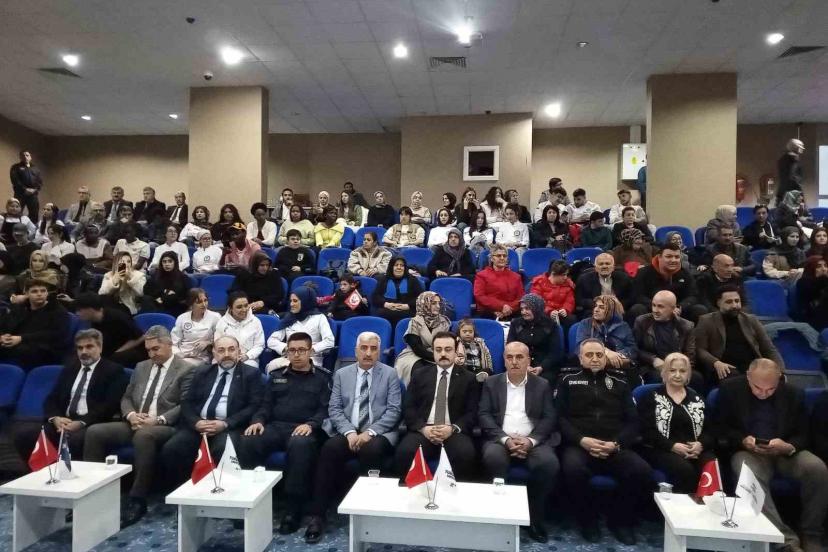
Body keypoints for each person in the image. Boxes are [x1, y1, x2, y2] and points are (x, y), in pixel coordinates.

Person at [83, 326, 195, 525]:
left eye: (156, 349)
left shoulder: (186, 369)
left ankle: (137, 498)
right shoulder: (141, 367)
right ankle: (92, 493)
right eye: (148, 350)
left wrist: (157, 420)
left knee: (144, 436)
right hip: (136, 422)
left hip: (165, 425)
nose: (152, 354)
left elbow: (185, 404)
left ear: (169, 345)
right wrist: (131, 415)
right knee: (95, 432)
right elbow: (126, 397)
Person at [719, 359, 827, 552]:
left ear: (779, 379)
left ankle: (811, 533)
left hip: (785, 453)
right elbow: (721, 428)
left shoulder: (794, 394)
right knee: (746, 471)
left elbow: (804, 433)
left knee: (817, 468)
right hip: (748, 452)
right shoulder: (730, 390)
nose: (763, 393)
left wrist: (789, 446)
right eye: (758, 388)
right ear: (748, 376)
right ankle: (784, 540)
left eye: (770, 389)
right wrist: (742, 440)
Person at [304, 332, 402, 543]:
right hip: (348, 430)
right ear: (356, 351)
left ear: (379, 352)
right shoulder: (341, 374)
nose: (368, 353)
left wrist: (369, 433)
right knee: (329, 449)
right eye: (364, 348)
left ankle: (368, 512)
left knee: (372, 449)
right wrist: (349, 432)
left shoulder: (390, 374)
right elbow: (335, 408)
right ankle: (318, 515)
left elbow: (394, 411)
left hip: (379, 431)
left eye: (373, 349)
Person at [555, 339, 652, 545]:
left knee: (641, 470)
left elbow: (633, 421)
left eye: (599, 355)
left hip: (614, 444)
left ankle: (620, 521)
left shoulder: (621, 381)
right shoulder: (567, 380)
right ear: (580, 358)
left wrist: (616, 444)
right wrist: (581, 440)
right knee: (573, 469)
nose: (595, 359)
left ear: (605, 357)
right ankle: (587, 520)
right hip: (580, 444)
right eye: (589, 355)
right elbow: (560, 418)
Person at [239, 332, 330, 534]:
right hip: (276, 426)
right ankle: (248, 501)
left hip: (305, 429)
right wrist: (258, 421)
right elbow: (265, 405)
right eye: (292, 350)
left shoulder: (323, 378)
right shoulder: (276, 376)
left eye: (301, 350)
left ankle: (293, 510)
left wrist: (311, 424)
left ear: (310, 352)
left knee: (299, 445)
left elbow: (325, 409)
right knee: (248, 440)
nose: (296, 354)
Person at [479, 341, 559, 542]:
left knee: (548, 463)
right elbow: (484, 415)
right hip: (500, 439)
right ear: (504, 360)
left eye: (519, 357)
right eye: (510, 357)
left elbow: (549, 417)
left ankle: (534, 518)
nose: (514, 361)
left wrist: (531, 441)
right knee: (493, 457)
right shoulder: (491, 383)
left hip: (533, 440)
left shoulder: (542, 385)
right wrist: (506, 440)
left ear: (528, 360)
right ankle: (500, 516)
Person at [160, 335, 262, 486]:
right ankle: (183, 492)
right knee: (173, 448)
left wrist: (225, 423)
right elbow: (187, 402)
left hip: (228, 427)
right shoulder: (202, 372)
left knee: (222, 449)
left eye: (231, 349)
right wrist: (196, 422)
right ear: (214, 353)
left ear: (239, 351)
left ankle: (220, 492)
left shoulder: (250, 374)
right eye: (221, 350)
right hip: (199, 426)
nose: (226, 354)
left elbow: (253, 406)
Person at [13, 329, 125, 461]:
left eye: (89, 347)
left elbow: (109, 406)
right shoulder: (70, 368)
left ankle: (71, 473)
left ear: (100, 348)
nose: (84, 352)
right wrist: (55, 419)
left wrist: (81, 422)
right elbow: (52, 398)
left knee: (74, 440)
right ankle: (43, 471)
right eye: (80, 348)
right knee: (24, 435)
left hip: (91, 423)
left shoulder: (113, 371)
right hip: (63, 421)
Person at [394, 332, 478, 481]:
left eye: (448, 349)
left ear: (455, 352)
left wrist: (452, 428)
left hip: (453, 432)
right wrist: (423, 428)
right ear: (433, 352)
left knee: (465, 453)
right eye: (438, 350)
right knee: (405, 451)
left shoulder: (469, 378)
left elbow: (472, 412)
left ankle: (456, 494)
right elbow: (409, 407)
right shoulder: (419, 374)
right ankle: (414, 492)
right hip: (424, 430)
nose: (443, 354)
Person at [636, 352, 714, 494]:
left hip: (694, 450)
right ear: (664, 373)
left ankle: (707, 505)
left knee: (711, 466)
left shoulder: (698, 399)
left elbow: (711, 430)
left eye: (682, 371)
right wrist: (672, 446)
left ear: (688, 374)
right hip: (661, 448)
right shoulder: (650, 397)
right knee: (684, 470)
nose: (677, 375)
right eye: (672, 370)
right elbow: (646, 431)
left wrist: (700, 445)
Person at [695, 286, 784, 385]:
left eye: (737, 301)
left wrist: (780, 370)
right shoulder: (706, 321)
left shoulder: (751, 320)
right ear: (718, 303)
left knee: (777, 380)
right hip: (725, 368)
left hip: (752, 366)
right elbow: (700, 349)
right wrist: (716, 362)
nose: (734, 305)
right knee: (736, 380)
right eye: (729, 302)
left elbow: (769, 348)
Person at [633, 291, 699, 388]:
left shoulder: (686, 326)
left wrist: (677, 369)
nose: (655, 310)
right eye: (653, 305)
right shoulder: (642, 321)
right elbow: (634, 349)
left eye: (660, 306)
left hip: (677, 366)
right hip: (650, 367)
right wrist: (653, 360)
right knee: (658, 377)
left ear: (673, 308)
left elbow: (690, 354)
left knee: (697, 378)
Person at [0, 279, 69, 369]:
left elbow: (55, 334)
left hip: (43, 348)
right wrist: (2, 336)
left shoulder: (57, 310)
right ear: (27, 294)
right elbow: (5, 325)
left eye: (43, 291)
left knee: (22, 351)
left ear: (47, 293)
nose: (39, 294)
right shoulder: (21, 308)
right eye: (34, 291)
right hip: (16, 343)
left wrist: (21, 338)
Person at [630, 243, 707, 323]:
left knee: (700, 309)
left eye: (677, 257)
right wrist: (659, 307)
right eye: (668, 256)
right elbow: (638, 296)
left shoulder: (685, 274)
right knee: (637, 309)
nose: (673, 260)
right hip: (652, 309)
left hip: (677, 310)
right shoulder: (643, 273)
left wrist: (679, 307)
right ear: (659, 257)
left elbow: (693, 296)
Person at [267, 285, 335, 369]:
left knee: (298, 368)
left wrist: (310, 349)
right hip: (289, 357)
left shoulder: (319, 318)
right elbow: (271, 340)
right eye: (291, 301)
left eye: (295, 301)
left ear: (305, 301)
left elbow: (329, 341)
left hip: (311, 358)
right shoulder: (288, 318)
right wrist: (286, 348)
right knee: (272, 366)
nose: (291, 304)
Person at [574, 295, 637, 382]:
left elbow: (632, 349)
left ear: (612, 310)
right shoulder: (586, 323)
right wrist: (606, 352)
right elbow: (580, 346)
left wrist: (618, 356)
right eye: (595, 306)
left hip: (619, 367)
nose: (596, 309)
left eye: (601, 307)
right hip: (591, 367)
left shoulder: (623, 326)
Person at [74, 292, 147, 366]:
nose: (77, 313)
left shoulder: (117, 318)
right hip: (110, 352)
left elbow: (140, 337)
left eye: (80, 310)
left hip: (131, 352)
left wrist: (118, 353)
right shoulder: (93, 322)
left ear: (90, 309)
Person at [506, 294, 565, 385]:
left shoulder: (550, 325)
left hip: (545, 367)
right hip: (519, 365)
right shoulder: (516, 324)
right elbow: (510, 348)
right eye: (522, 309)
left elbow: (555, 353)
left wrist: (541, 367)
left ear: (537, 308)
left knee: (545, 381)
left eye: (527, 308)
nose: (523, 312)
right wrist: (525, 366)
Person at [394, 291, 452, 384]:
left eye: (439, 303)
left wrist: (442, 356)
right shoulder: (415, 322)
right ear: (424, 304)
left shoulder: (444, 322)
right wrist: (437, 358)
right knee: (420, 371)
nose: (438, 306)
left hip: (440, 352)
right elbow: (417, 348)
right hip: (413, 355)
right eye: (433, 303)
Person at [574, 252, 635, 319]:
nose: (604, 266)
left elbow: (630, 297)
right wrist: (598, 305)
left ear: (613, 267)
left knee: (636, 309)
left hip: (618, 309)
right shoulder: (584, 279)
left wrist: (616, 305)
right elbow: (579, 299)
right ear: (595, 267)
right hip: (594, 309)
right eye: (601, 264)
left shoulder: (624, 278)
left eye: (607, 263)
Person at [214, 292, 265, 369]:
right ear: (230, 308)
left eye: (246, 305)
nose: (244, 309)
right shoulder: (222, 322)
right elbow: (217, 344)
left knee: (249, 368)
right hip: (225, 358)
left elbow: (259, 345)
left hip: (248, 359)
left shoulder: (256, 321)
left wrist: (247, 356)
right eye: (239, 307)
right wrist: (228, 357)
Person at [171, 288, 221, 366]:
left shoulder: (215, 317)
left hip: (201, 357)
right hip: (181, 355)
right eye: (199, 302)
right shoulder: (182, 318)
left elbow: (221, 339)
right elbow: (174, 343)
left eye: (205, 300)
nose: (204, 304)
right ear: (191, 304)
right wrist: (179, 354)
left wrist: (208, 343)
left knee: (183, 366)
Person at [473, 244, 523, 319]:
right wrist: (501, 306)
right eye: (498, 256)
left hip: (512, 312)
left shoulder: (516, 277)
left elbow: (520, 297)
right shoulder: (481, 275)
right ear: (491, 258)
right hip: (490, 313)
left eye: (504, 256)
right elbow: (480, 296)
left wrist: (508, 309)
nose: (502, 258)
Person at [371, 257, 423, 328]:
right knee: (381, 314)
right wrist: (386, 304)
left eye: (402, 265)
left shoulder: (412, 280)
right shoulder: (383, 279)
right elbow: (375, 297)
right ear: (391, 267)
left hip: (407, 310)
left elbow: (420, 297)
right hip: (387, 310)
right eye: (396, 265)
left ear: (405, 268)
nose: (399, 267)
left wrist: (408, 306)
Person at [529, 259, 576, 330]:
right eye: (563, 275)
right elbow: (536, 302)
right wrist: (549, 311)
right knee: (542, 318)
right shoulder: (539, 283)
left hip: (560, 313)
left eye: (566, 274)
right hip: (545, 313)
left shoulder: (568, 284)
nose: (566, 277)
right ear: (553, 274)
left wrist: (565, 309)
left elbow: (570, 301)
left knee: (571, 319)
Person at [142, 251, 191, 316]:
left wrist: (162, 297)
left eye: (170, 261)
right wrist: (163, 292)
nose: (167, 264)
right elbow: (146, 289)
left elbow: (182, 296)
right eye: (164, 262)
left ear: (175, 262)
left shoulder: (183, 277)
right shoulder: (157, 275)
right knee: (146, 298)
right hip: (157, 304)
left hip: (175, 307)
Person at [10, 150, 42, 222]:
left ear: (30, 157)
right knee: (16, 213)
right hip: (20, 194)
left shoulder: (35, 168)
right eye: (23, 155)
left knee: (34, 214)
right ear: (20, 157)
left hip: (33, 195)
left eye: (27, 155)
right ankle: (15, 227)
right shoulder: (15, 167)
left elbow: (40, 182)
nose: (25, 157)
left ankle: (32, 228)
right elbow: (15, 180)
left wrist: (34, 190)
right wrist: (25, 189)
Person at [797, 256, 828, 330]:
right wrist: (823, 279)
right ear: (811, 268)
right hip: (812, 318)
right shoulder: (803, 282)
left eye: (825, 266)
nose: (824, 269)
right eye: (819, 266)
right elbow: (811, 293)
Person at [775, 138, 806, 207]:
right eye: (800, 146)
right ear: (795, 147)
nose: (802, 148)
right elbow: (793, 179)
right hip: (791, 195)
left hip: (784, 194)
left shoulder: (783, 159)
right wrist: (800, 195)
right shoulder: (792, 159)